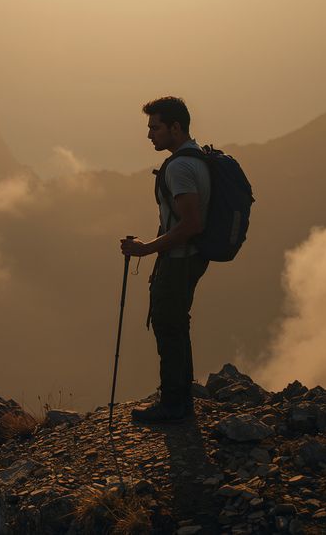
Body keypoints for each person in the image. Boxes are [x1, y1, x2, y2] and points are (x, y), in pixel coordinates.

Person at [121, 96, 210, 423]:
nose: (150, 135)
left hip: (179, 259)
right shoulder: (195, 157)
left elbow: (191, 223)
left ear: (176, 127)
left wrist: (146, 249)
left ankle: (173, 405)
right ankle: (180, 399)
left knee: (168, 325)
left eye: (155, 127)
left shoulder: (181, 168)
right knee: (176, 322)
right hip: (191, 257)